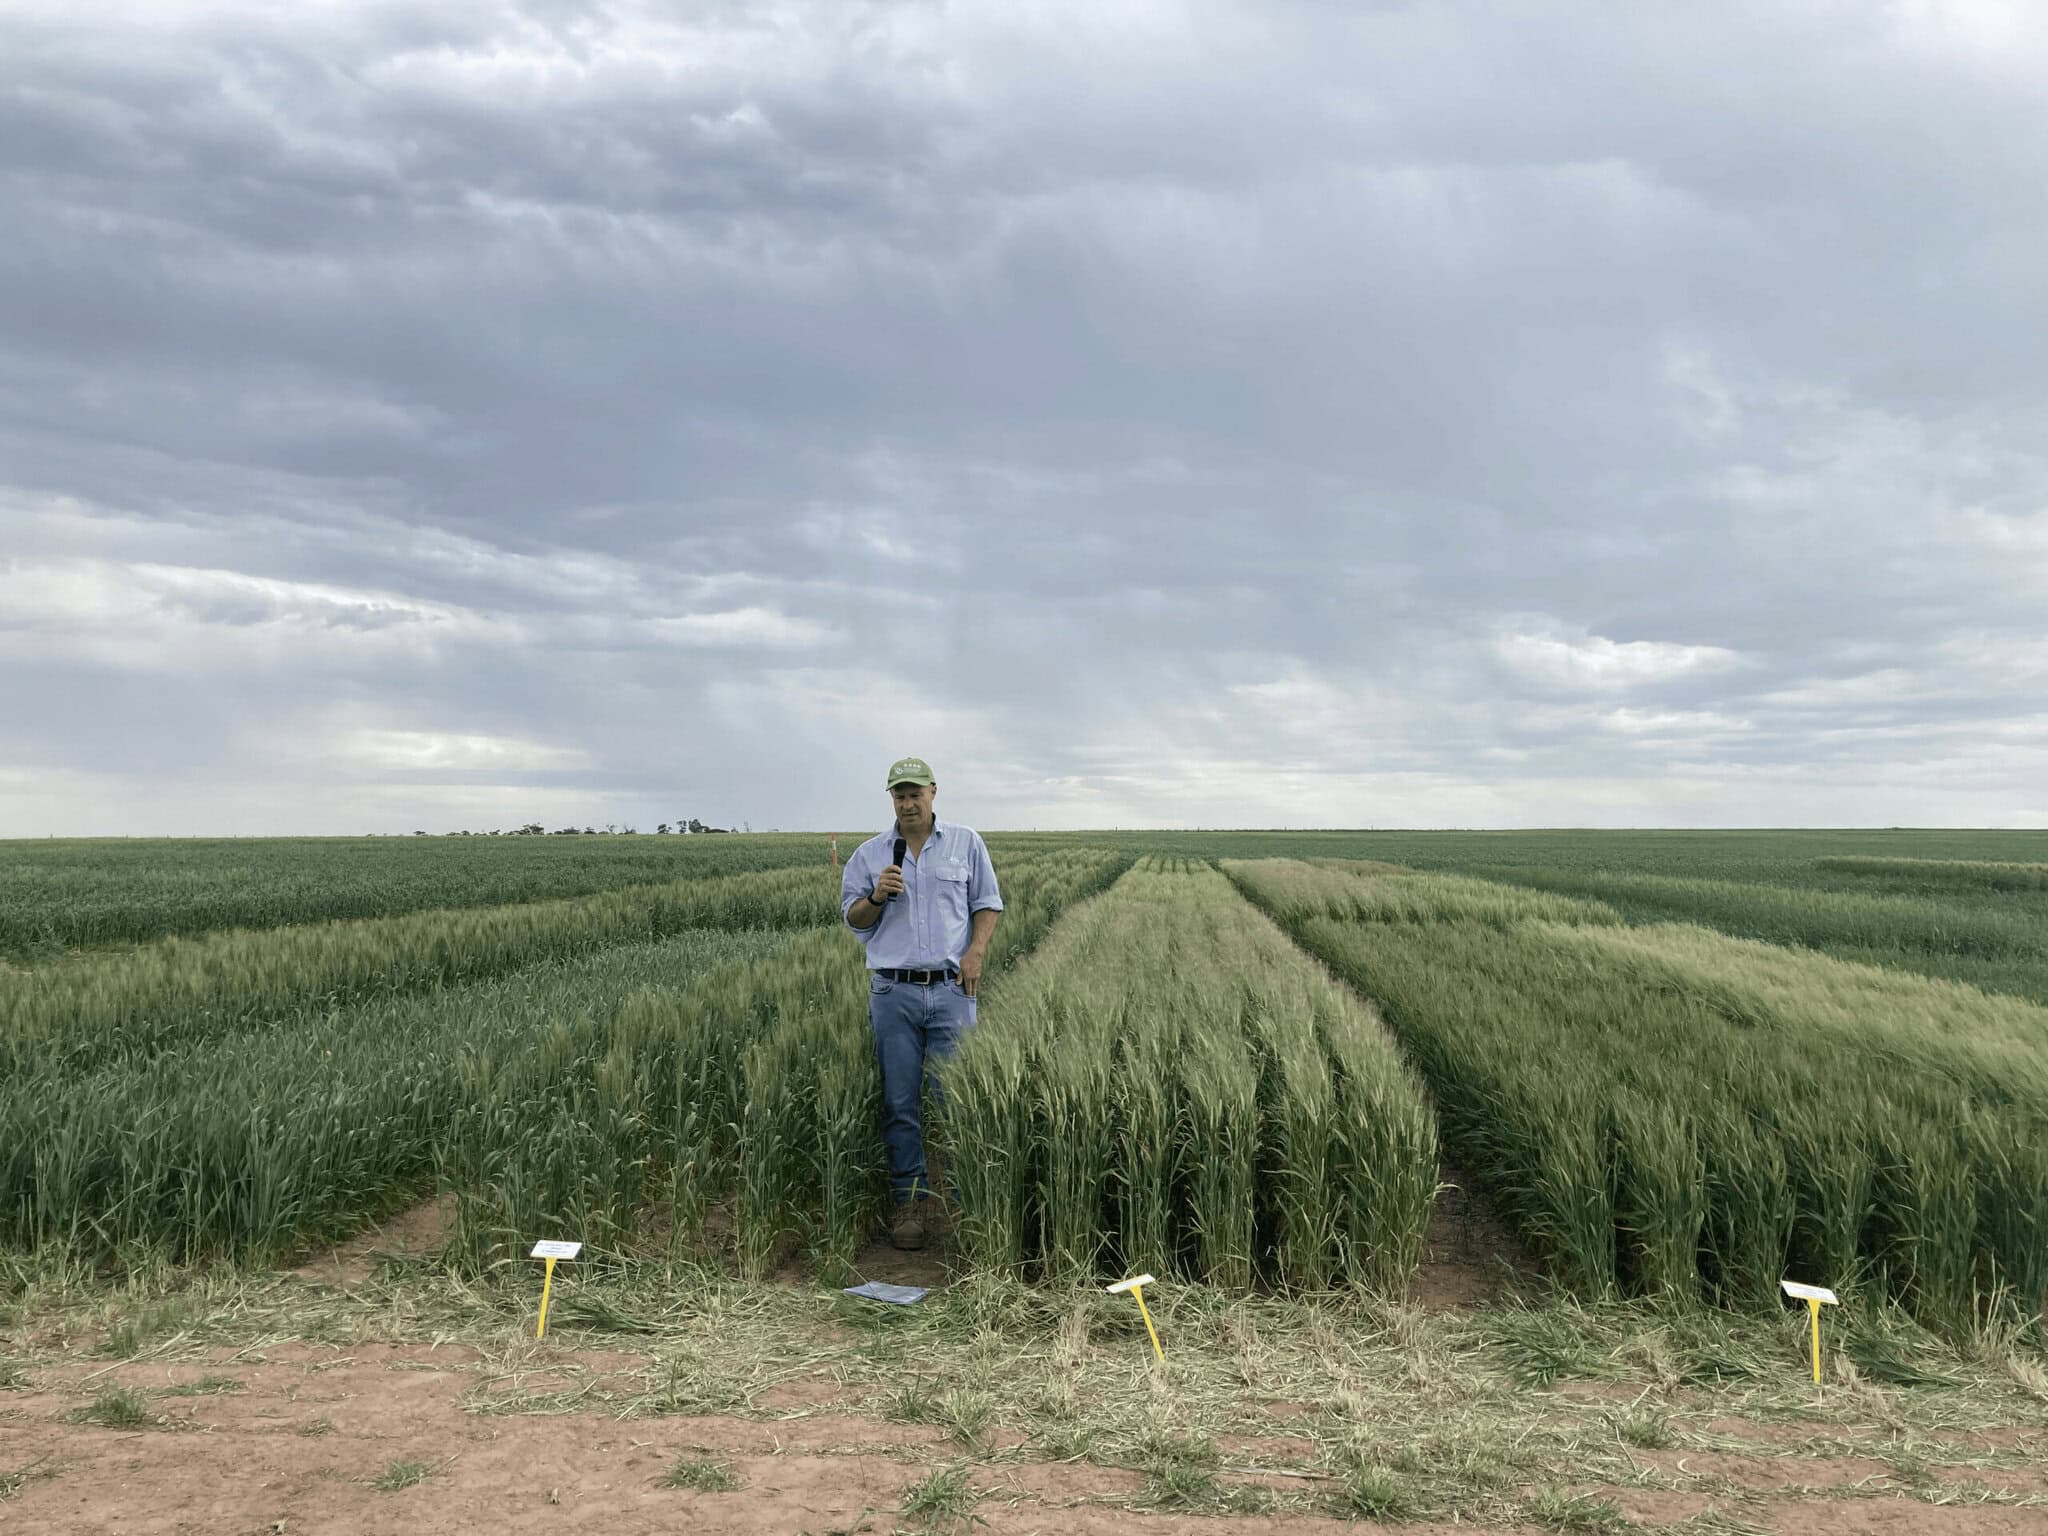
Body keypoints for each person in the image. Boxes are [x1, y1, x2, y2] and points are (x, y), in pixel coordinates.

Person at [840, 755, 1002, 1250]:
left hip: (953, 990)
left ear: (933, 792)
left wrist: (975, 953)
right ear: (891, 799)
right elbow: (854, 919)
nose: (908, 802)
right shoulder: (869, 855)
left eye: (915, 793)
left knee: (956, 1101)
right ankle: (910, 1205)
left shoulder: (966, 843)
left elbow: (987, 904)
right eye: (899, 795)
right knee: (900, 1102)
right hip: (893, 992)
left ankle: (964, 1207)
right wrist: (875, 897)